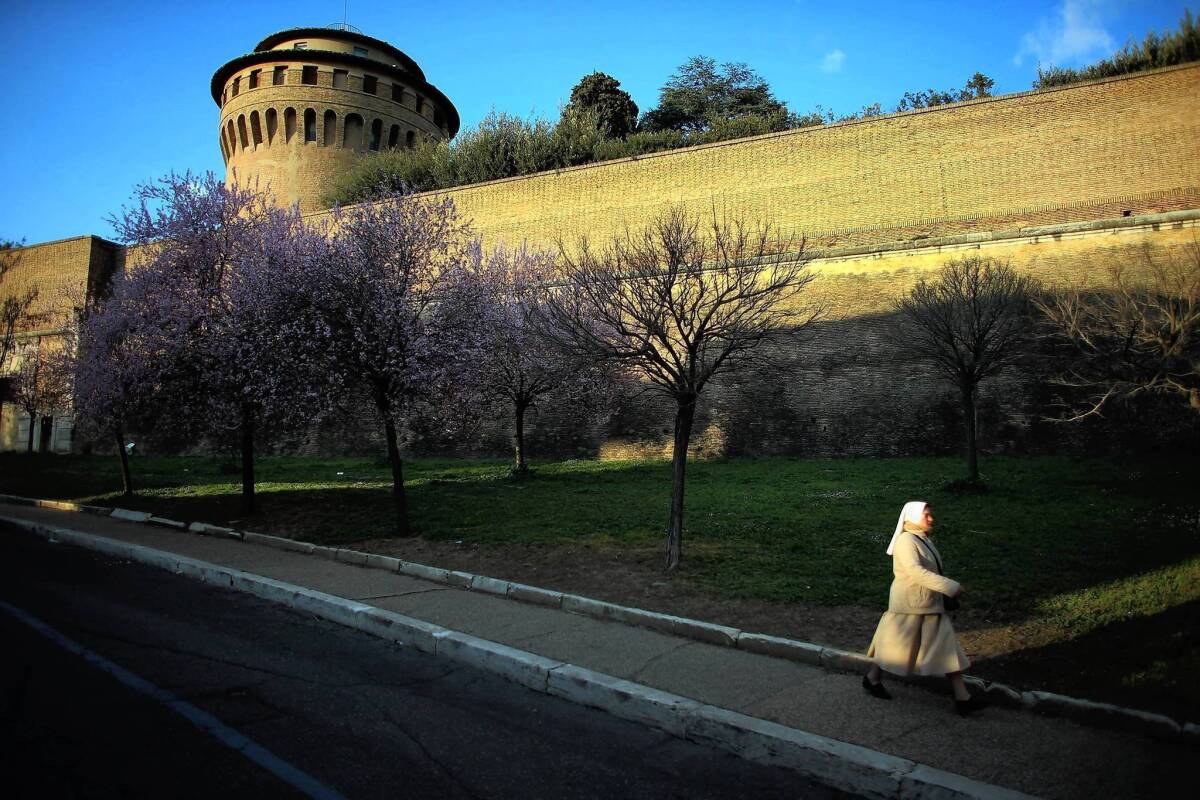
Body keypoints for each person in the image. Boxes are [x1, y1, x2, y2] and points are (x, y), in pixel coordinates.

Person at [862, 501, 987, 715]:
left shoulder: (922, 539)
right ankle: (872, 678)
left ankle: (962, 697)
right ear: (911, 517)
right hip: (910, 605)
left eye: (930, 514)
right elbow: (915, 572)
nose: (931, 518)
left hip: (928, 604)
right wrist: (951, 587)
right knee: (893, 647)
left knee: (946, 648)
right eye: (926, 515)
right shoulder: (906, 541)